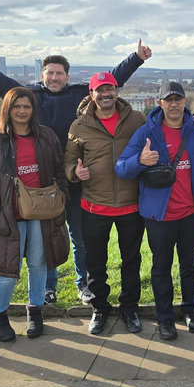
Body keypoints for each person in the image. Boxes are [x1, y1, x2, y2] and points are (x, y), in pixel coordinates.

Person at [0, 36, 152, 306]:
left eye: (60, 74)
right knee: (46, 238)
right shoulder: (29, 96)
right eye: (50, 73)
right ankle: (48, 288)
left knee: (80, 238)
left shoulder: (80, 94)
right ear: (42, 75)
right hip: (41, 184)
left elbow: (112, 81)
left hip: (78, 180)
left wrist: (136, 58)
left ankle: (83, 285)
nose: (55, 78)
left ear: (67, 76)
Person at [115, 82, 194, 340]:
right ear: (160, 103)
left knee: (190, 265)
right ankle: (165, 317)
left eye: (178, 99)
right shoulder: (147, 132)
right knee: (161, 267)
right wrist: (139, 161)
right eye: (169, 99)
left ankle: (191, 311)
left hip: (191, 214)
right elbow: (121, 168)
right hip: (160, 216)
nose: (174, 104)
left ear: (185, 102)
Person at [0, 87, 70, 341]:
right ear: (7, 108)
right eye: (16, 106)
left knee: (38, 264)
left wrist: (61, 195)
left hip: (42, 212)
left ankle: (35, 310)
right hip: (9, 214)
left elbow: (59, 168)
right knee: (9, 270)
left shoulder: (46, 136)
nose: (21, 111)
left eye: (26, 106)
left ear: (33, 109)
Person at [64, 72, 147, 334]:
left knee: (131, 260)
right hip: (93, 206)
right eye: (99, 90)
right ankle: (100, 308)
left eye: (109, 88)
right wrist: (74, 174)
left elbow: (168, 121)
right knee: (95, 262)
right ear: (91, 94)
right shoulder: (79, 126)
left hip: (131, 205)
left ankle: (129, 308)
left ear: (117, 91)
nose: (105, 94)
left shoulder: (137, 119)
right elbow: (68, 161)